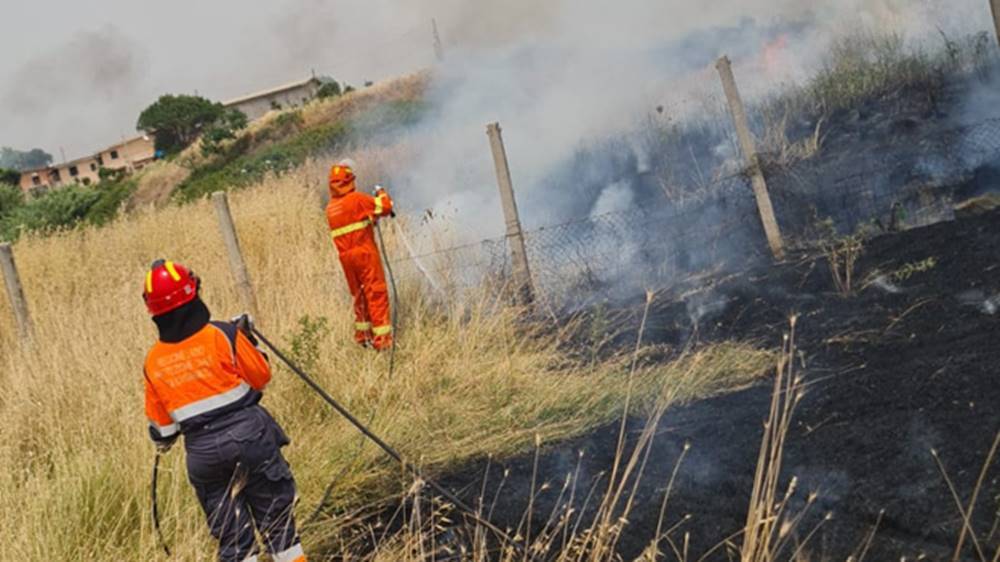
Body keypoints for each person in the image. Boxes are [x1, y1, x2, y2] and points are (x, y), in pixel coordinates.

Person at [142, 259, 306, 562]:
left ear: (153, 311)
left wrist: (163, 439)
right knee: (279, 528)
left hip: (203, 457)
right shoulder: (222, 334)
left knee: (235, 544)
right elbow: (261, 377)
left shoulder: (153, 361)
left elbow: (163, 432)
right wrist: (247, 339)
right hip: (251, 439)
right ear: (194, 294)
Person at [325, 158, 395, 350]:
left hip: (346, 258)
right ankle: (383, 342)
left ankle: (363, 336)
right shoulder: (357, 199)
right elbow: (385, 207)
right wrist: (381, 191)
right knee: (376, 292)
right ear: (349, 180)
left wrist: (368, 220)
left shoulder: (331, 208)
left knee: (359, 295)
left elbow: (353, 224)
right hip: (364, 253)